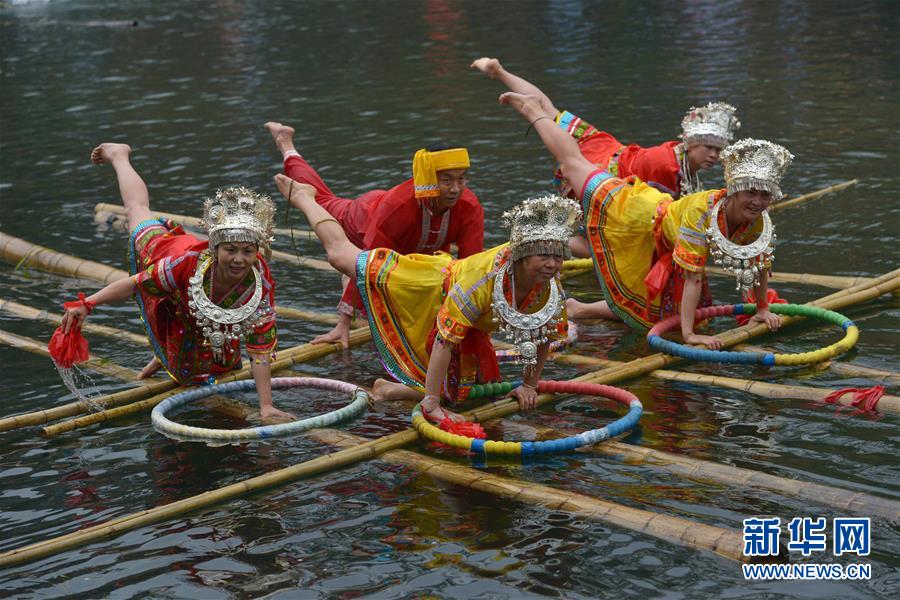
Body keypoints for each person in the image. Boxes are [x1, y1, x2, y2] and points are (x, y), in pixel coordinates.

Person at [273, 171, 578, 425]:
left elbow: (545, 335)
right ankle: (304, 198)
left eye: (557, 256)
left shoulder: (549, 287)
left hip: (460, 310)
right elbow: (445, 340)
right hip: (425, 284)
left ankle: (388, 390)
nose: (552, 264)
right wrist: (431, 404)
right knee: (340, 256)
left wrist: (529, 385)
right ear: (522, 255)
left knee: (462, 390)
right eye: (543, 256)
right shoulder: (482, 282)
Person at [498, 92, 791, 349]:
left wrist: (762, 309)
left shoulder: (757, 219)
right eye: (751, 193)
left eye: (765, 195)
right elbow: (692, 277)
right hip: (632, 213)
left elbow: (759, 263)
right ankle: (533, 111)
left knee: (660, 313)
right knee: (572, 162)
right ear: (733, 192)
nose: (757, 202)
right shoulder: (702, 214)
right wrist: (689, 335)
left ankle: (578, 309)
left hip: (664, 241)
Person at [60, 143, 294, 421]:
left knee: (224, 365)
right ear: (215, 249)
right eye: (230, 250)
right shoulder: (185, 265)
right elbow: (135, 284)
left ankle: (165, 353)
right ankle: (119, 156)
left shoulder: (260, 282)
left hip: (199, 313)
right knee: (137, 210)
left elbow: (260, 346)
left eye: (247, 252)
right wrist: (88, 304)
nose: (239, 260)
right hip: (165, 251)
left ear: (257, 252)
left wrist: (266, 406)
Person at [265, 122, 485, 348]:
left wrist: (472, 322)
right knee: (320, 200)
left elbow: (471, 266)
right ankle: (285, 143)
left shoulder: (470, 206)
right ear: (428, 177)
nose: (455, 188)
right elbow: (366, 264)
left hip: (411, 249)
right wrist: (343, 323)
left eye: (461, 179)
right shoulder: (398, 207)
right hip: (364, 217)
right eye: (446, 180)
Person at [471, 58, 739, 198]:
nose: (714, 156)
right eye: (709, 148)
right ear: (691, 144)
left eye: (718, 150)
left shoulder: (676, 153)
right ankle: (525, 103)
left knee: (551, 110)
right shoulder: (667, 168)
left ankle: (500, 72)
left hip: (608, 148)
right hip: (601, 171)